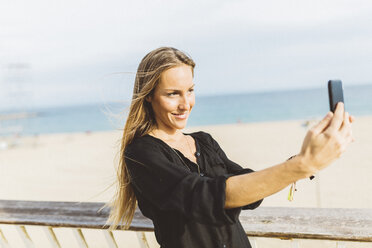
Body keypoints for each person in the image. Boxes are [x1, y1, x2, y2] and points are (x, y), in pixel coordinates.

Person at [108, 47, 354, 248]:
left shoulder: (203, 141)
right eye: (173, 94)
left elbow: (246, 190)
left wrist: (301, 160)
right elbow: (204, 196)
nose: (186, 104)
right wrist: (301, 166)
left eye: (190, 91)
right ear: (148, 95)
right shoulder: (141, 152)